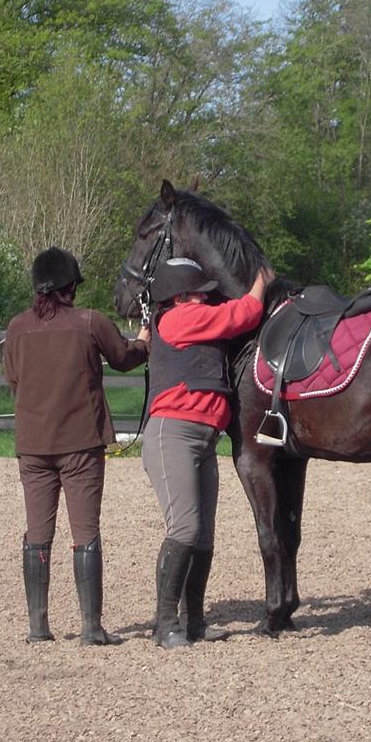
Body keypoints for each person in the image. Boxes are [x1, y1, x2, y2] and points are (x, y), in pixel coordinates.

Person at [5, 246, 149, 646]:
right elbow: (123, 358)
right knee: (85, 532)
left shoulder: (16, 328)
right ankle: (90, 627)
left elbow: (14, 380)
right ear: (71, 286)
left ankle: (38, 627)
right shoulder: (90, 323)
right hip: (81, 446)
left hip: (32, 446)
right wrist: (144, 341)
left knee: (37, 532)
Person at [143, 257, 271, 649]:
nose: (207, 299)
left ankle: (194, 621)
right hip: (173, 435)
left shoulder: (193, 317)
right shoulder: (179, 319)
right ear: (181, 296)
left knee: (203, 535)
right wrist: (261, 282)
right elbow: (244, 313)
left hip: (203, 439)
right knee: (184, 529)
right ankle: (165, 625)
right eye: (201, 293)